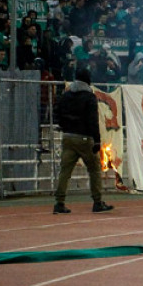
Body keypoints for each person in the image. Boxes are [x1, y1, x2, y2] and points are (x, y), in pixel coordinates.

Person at [53, 67, 115, 214]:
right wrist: (97, 141)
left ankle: (59, 202)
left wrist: (64, 125)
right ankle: (97, 201)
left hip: (68, 136)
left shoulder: (66, 94)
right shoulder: (89, 97)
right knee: (94, 170)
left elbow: (57, 111)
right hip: (84, 138)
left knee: (65, 172)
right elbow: (93, 121)